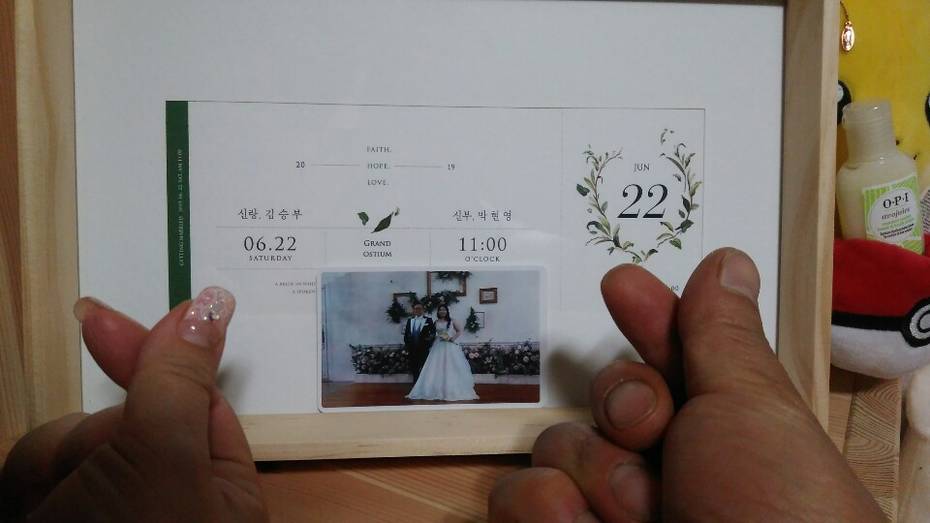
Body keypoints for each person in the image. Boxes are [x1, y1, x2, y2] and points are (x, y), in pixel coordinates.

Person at [0, 249, 885, 521]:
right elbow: (427, 330)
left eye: (449, 305)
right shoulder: (431, 317)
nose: (448, 309)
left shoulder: (453, 317)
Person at [406, 304, 479, 402]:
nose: (442, 311)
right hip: (438, 346)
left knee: (450, 367)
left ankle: (450, 389)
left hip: (449, 346)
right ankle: (434, 389)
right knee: (436, 367)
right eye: (440, 310)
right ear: (438, 312)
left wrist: (452, 338)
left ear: (447, 311)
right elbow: (432, 333)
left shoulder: (452, 321)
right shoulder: (435, 322)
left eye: (444, 310)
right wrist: (432, 337)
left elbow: (459, 331)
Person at [403, 302, 436, 383]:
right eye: (416, 309)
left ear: (423, 310)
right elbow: (406, 334)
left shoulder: (428, 320)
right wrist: (407, 345)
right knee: (414, 367)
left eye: (420, 308)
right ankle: (415, 384)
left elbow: (433, 333)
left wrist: (428, 343)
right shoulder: (410, 320)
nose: (418, 310)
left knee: (424, 367)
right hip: (412, 348)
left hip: (423, 348)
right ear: (413, 310)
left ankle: (424, 383)